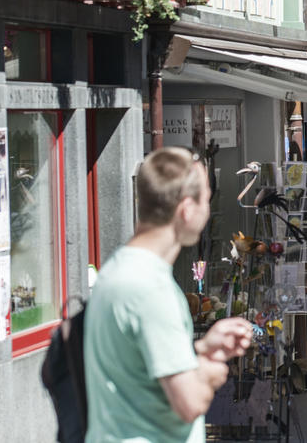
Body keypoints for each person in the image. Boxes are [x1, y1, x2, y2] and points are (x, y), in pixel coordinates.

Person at [84, 147, 253, 443]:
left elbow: (141, 371)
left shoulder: (119, 267)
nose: (208, 211)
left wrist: (200, 349)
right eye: (206, 200)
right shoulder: (151, 289)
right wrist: (212, 367)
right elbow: (189, 402)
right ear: (186, 209)